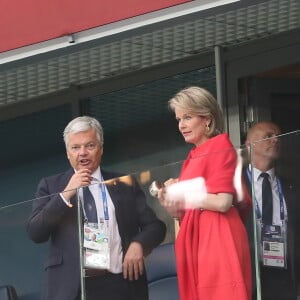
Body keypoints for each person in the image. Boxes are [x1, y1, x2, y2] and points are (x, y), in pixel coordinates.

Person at [27, 116, 166, 300]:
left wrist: (138, 244)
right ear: (68, 153)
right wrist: (67, 192)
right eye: (75, 147)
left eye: (90, 146)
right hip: (73, 288)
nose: (82, 153)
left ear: (101, 149)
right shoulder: (51, 185)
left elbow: (155, 227)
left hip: (120, 283)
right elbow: (36, 232)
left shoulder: (123, 183)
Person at [156, 86, 252, 300]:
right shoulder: (193, 155)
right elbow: (187, 209)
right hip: (200, 239)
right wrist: (170, 201)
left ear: (207, 119)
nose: (181, 125)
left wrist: (183, 193)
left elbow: (222, 202)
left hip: (218, 237)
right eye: (179, 119)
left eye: (188, 117)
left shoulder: (219, 147)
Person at [244, 121, 300, 300]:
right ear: (249, 144)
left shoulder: (292, 187)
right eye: (268, 136)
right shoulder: (235, 186)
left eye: (277, 136)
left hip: (285, 274)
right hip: (249, 273)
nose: (275, 140)